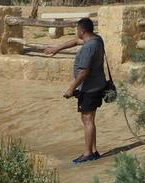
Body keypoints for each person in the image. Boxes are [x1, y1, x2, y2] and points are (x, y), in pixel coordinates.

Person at [46, 18, 107, 163]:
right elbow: (75, 41)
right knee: (89, 119)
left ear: (82, 31)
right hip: (97, 85)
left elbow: (84, 72)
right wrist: (57, 48)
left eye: (77, 29)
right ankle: (93, 150)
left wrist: (71, 88)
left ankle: (87, 154)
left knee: (87, 119)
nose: (76, 32)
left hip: (89, 88)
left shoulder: (88, 48)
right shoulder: (97, 39)